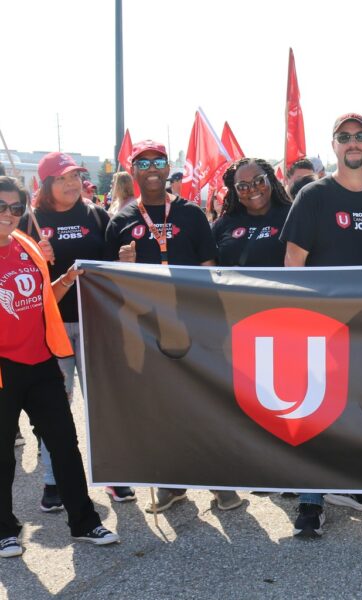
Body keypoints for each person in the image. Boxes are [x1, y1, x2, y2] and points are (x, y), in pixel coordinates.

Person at [105, 140, 241, 513]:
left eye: (158, 162)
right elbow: (108, 285)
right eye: (143, 163)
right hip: (146, 330)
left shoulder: (191, 214)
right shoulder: (121, 221)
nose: (152, 169)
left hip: (191, 323)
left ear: (168, 168)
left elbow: (209, 268)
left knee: (203, 403)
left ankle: (219, 480)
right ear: (132, 170)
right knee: (160, 409)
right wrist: (123, 266)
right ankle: (171, 483)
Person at [281, 113, 362, 537]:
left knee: (359, 413)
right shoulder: (314, 195)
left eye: (360, 136)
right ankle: (310, 501)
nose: (353, 143)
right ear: (334, 146)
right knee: (316, 413)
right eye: (344, 137)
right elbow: (293, 262)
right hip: (320, 325)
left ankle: (346, 484)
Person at [0, 176, 120, 558]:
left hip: (41, 362)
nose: (9, 214)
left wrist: (65, 280)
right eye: (1, 207)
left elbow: (43, 300)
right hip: (3, 370)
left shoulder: (28, 245)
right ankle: (4, 531)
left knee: (65, 445)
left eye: (16, 208)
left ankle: (84, 522)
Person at [18, 153, 135, 509]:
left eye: (75, 177)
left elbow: (112, 266)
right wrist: (34, 257)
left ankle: (114, 475)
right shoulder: (28, 220)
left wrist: (124, 259)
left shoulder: (97, 215)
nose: (71, 184)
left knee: (103, 403)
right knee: (54, 408)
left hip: (95, 322)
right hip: (49, 327)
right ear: (45, 183)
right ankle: (53, 482)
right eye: (62, 178)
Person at [212, 158, 291, 266]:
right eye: (242, 186)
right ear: (235, 191)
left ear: (271, 180)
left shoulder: (292, 217)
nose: (252, 189)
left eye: (259, 181)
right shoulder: (223, 224)